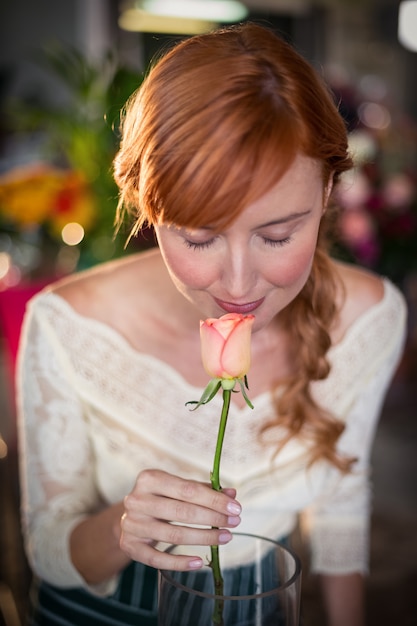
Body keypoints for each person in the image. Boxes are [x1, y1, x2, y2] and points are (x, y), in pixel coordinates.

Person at [16, 22, 406, 626]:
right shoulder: (68, 325)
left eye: (277, 235)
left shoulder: (371, 320)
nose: (240, 285)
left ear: (329, 190)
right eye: (199, 239)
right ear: (150, 207)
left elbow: (341, 502)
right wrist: (121, 527)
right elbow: (45, 552)